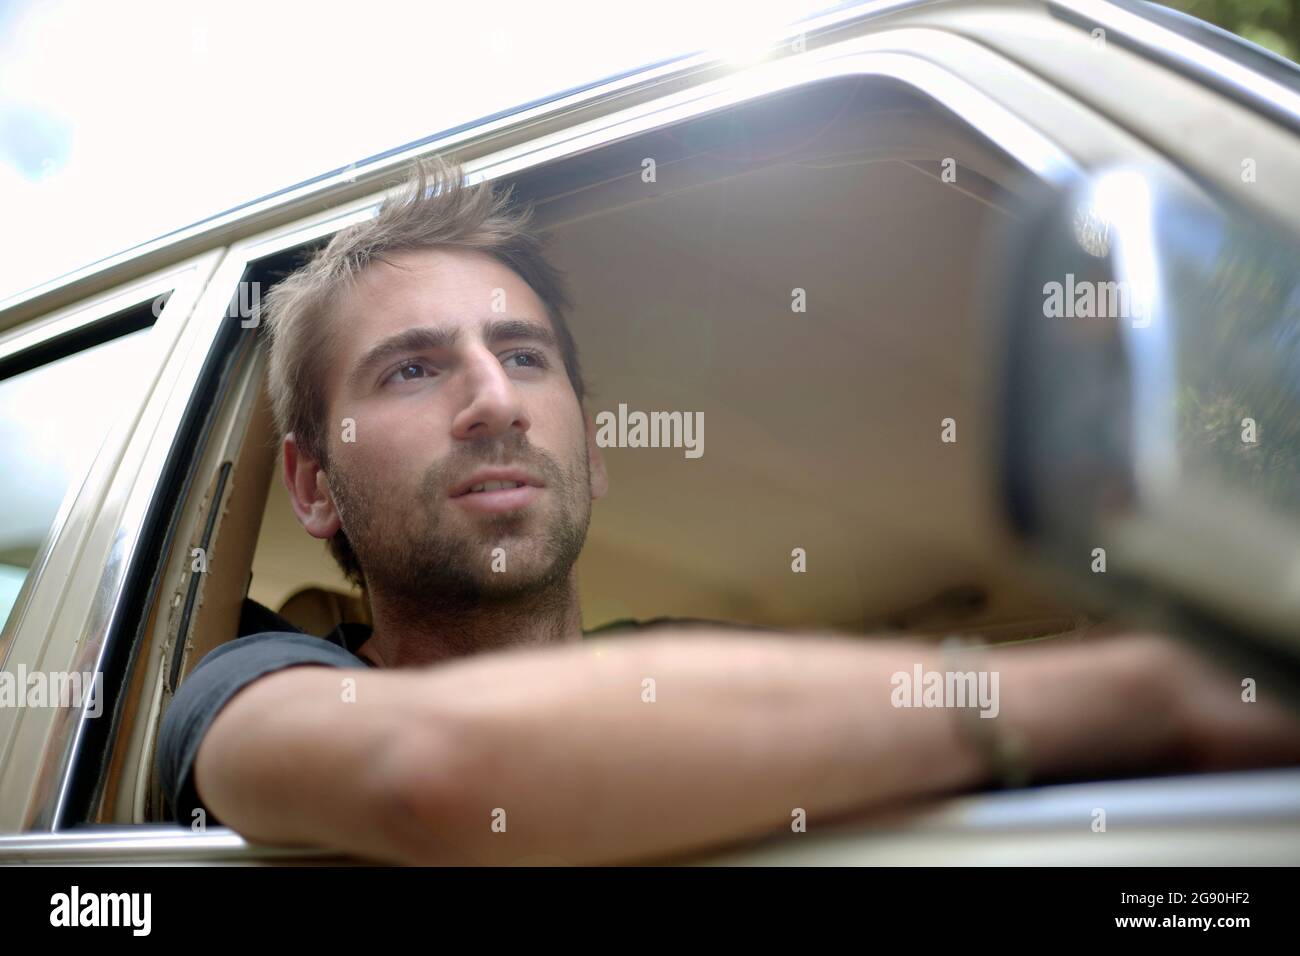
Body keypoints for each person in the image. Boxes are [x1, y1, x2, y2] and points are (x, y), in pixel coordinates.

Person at [156, 156, 1300, 866]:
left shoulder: (697, 672)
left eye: (524, 354)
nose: (494, 399)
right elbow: (432, 774)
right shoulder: (247, 686)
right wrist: (1152, 692)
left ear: (592, 453)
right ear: (313, 484)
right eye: (412, 368)